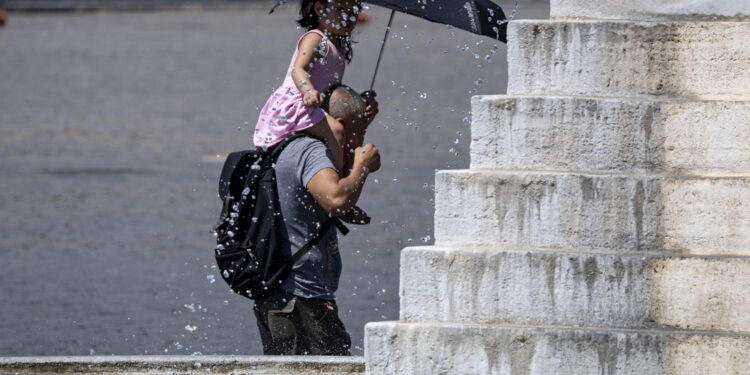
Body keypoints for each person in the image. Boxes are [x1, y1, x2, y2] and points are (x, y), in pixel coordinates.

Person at [253, 85, 380, 355]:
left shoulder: (292, 145)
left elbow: (322, 200)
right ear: (341, 124)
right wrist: (362, 166)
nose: (360, 141)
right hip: (301, 297)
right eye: (362, 131)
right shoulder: (311, 151)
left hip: (284, 297)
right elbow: (336, 200)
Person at [253, 0, 376, 174]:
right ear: (319, 8)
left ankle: (346, 172)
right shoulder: (316, 38)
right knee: (337, 131)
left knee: (353, 124)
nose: (348, 16)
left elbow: (333, 88)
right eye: (340, 9)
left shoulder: (338, 44)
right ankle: (335, 179)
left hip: (315, 103)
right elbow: (298, 69)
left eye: (354, 10)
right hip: (297, 103)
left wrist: (359, 102)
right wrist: (308, 91)